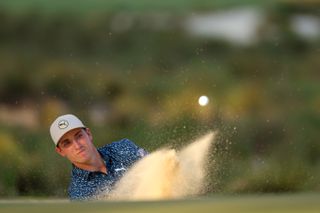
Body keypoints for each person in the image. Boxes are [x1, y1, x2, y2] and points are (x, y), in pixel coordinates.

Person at [49, 114, 147, 200]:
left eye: (79, 136)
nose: (77, 146)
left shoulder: (123, 148)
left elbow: (156, 170)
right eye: (67, 143)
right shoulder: (80, 194)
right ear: (60, 151)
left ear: (88, 134)